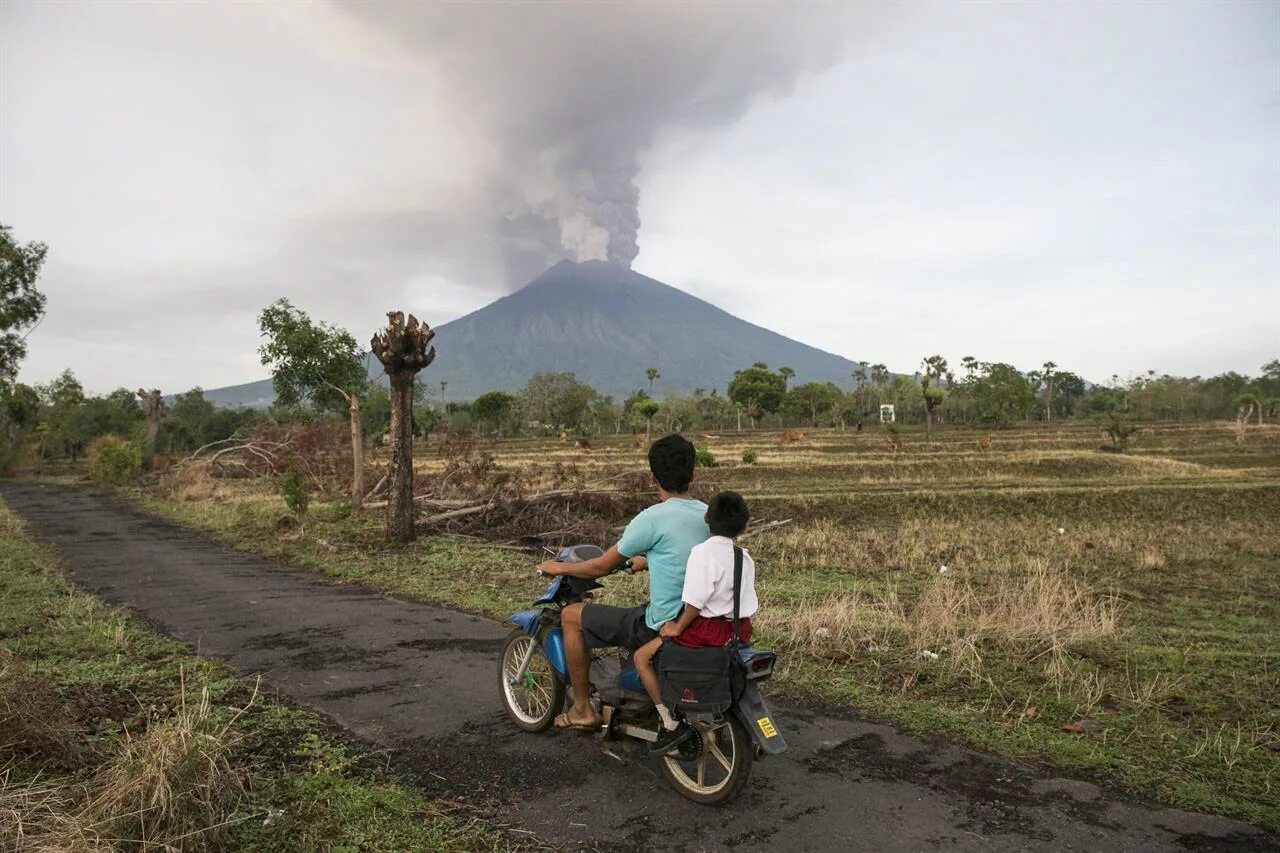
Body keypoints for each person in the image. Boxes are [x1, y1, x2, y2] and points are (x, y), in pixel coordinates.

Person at [536, 434, 709, 732]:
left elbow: (600, 567)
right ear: (692, 473)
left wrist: (559, 566)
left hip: (662, 622)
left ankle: (581, 710)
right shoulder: (709, 514)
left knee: (570, 616)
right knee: (630, 614)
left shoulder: (652, 518)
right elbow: (691, 558)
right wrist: (650, 560)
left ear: (652, 476)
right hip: (700, 616)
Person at [632, 490, 757, 754]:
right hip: (738, 629)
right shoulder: (742, 556)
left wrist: (676, 627)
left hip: (706, 630)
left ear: (706, 518)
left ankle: (669, 724)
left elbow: (695, 602)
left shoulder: (701, 554)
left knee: (642, 657)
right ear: (744, 526)